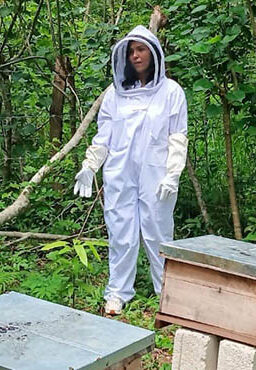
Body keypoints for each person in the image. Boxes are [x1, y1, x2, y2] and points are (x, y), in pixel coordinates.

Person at [73, 25, 188, 316]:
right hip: (120, 174)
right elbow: (104, 137)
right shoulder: (115, 94)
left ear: (154, 53)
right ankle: (117, 292)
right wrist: (90, 165)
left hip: (156, 175)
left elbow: (177, 137)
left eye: (141, 49)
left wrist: (173, 173)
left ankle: (167, 293)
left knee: (158, 232)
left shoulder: (171, 92)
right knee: (120, 232)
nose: (135, 56)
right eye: (131, 51)